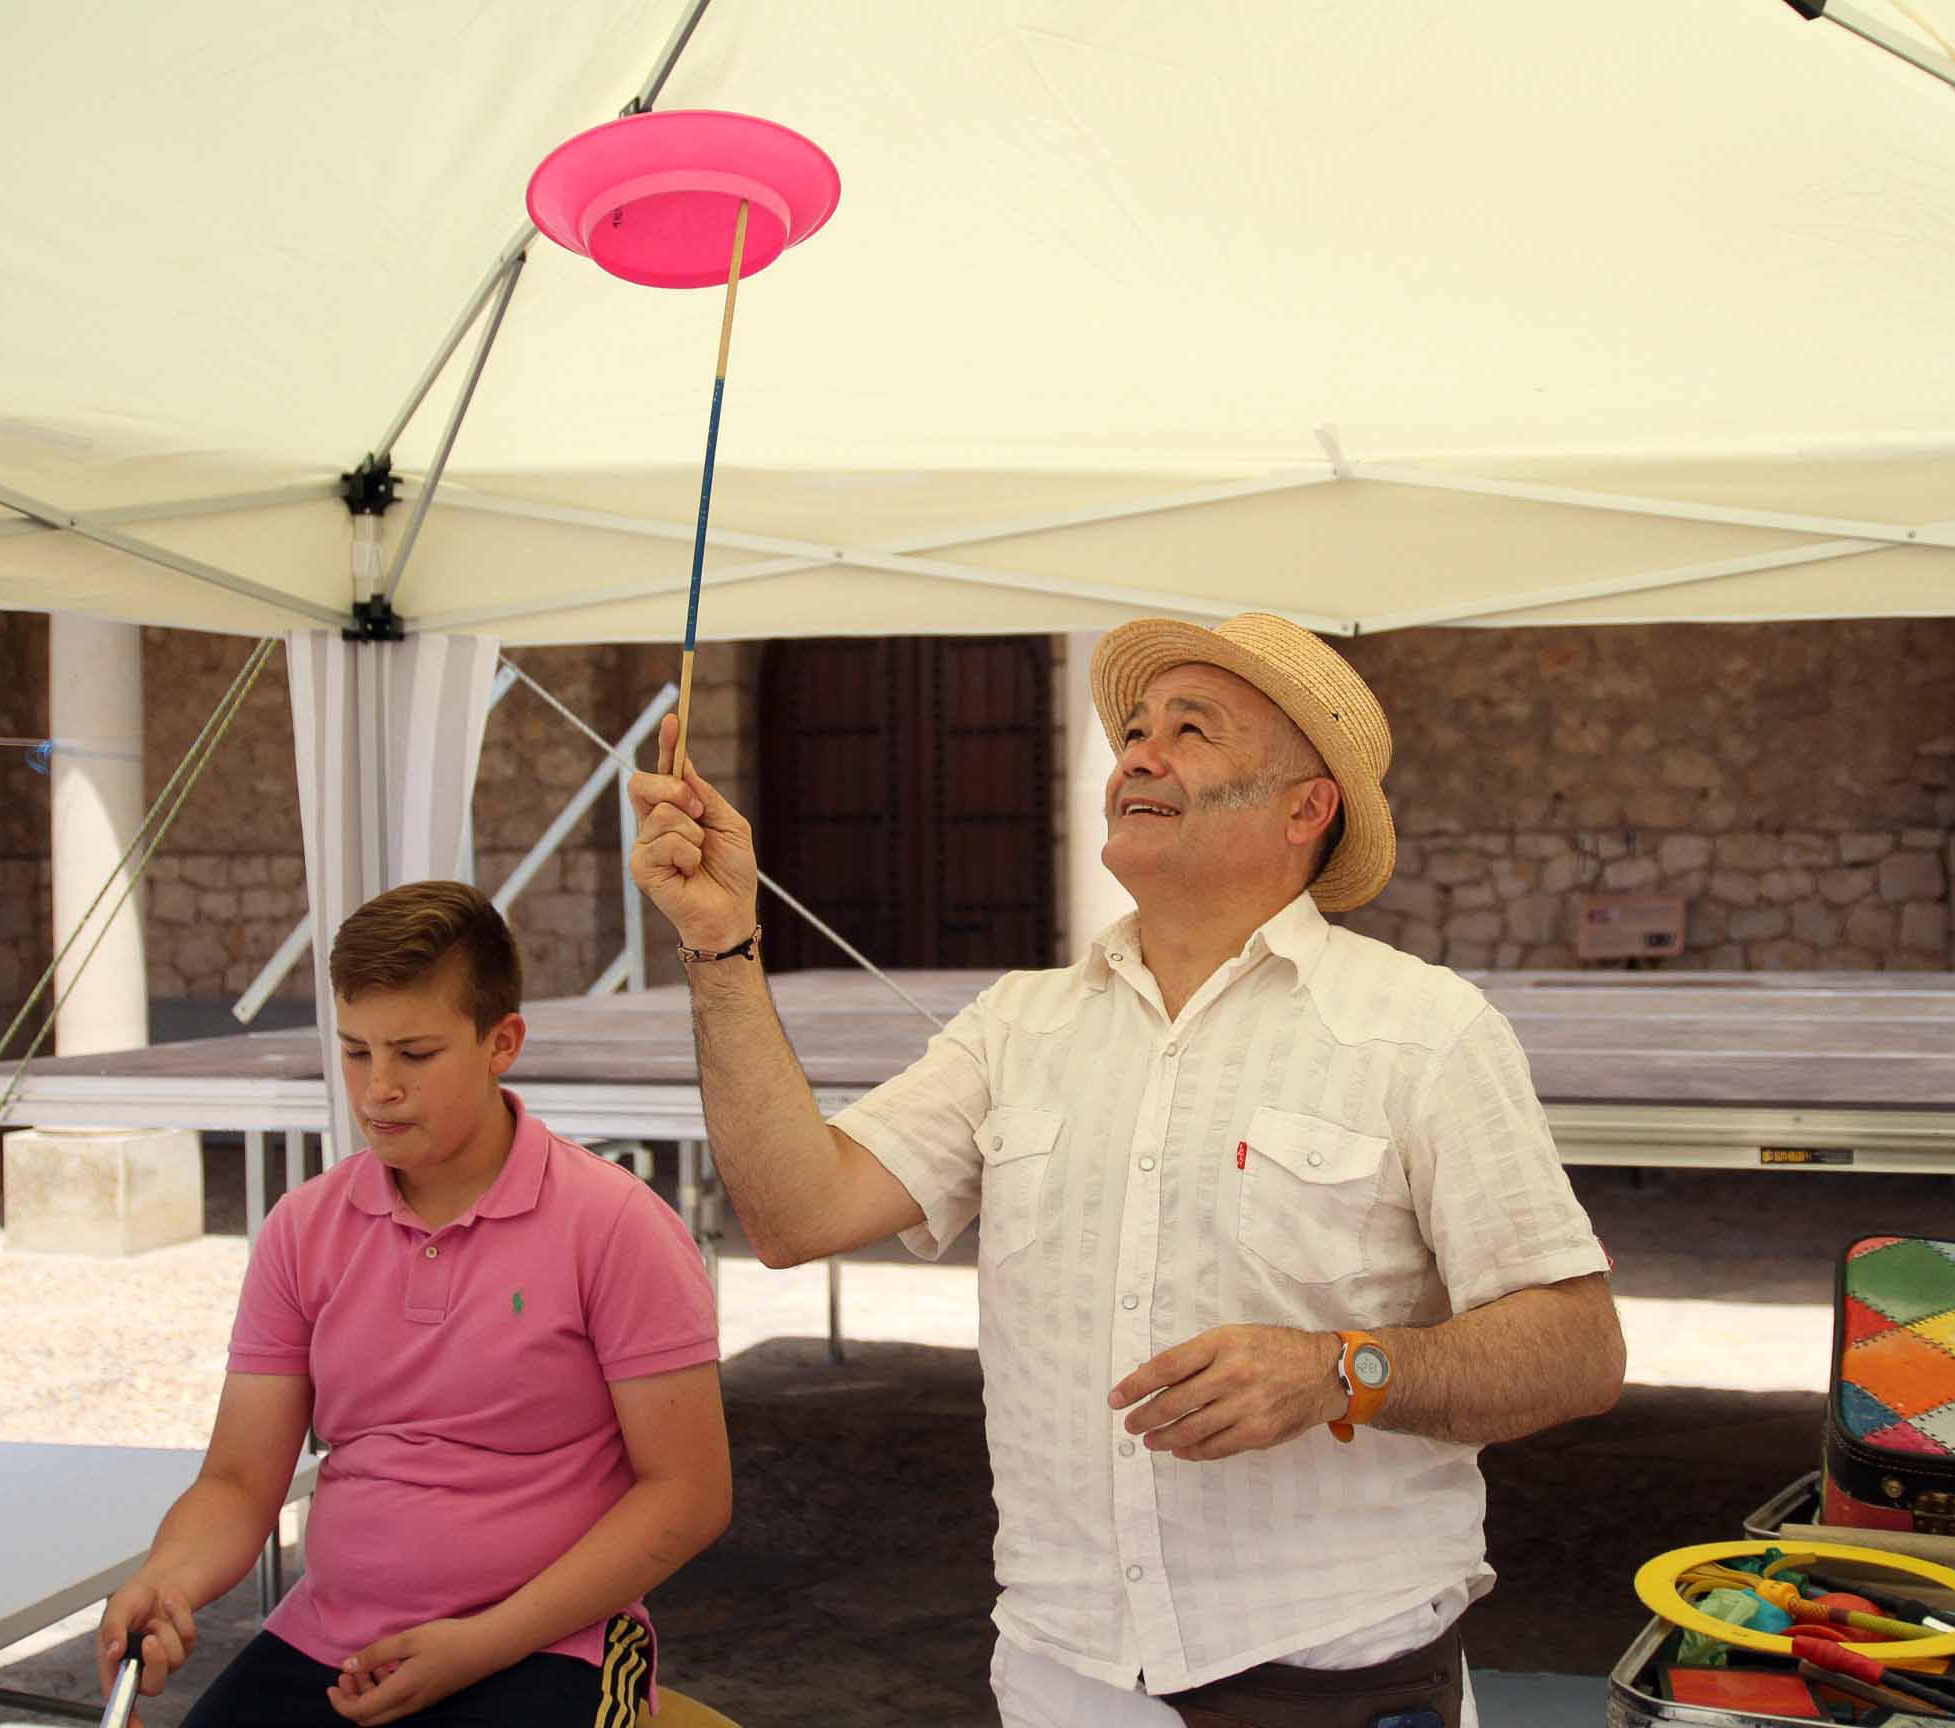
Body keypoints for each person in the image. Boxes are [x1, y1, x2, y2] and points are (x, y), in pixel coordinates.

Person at [630, 612, 1625, 1728]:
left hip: (1337, 1672)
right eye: (1137, 731)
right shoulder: (1020, 1024)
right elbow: (796, 1213)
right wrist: (721, 947)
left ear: (1307, 808)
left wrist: (1341, 1372)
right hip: (1065, 1672)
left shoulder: (1423, 1030)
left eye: (1192, 731)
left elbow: (1578, 1348)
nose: (1140, 756)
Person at [97, 880, 729, 1728]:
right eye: (355, 1051)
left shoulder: (616, 1224)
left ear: (502, 1043)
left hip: (552, 1644)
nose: (377, 1090)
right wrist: (165, 1579)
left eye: (415, 1054)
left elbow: (689, 1494)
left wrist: (484, 1643)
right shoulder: (304, 1227)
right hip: (328, 1645)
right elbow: (240, 1482)